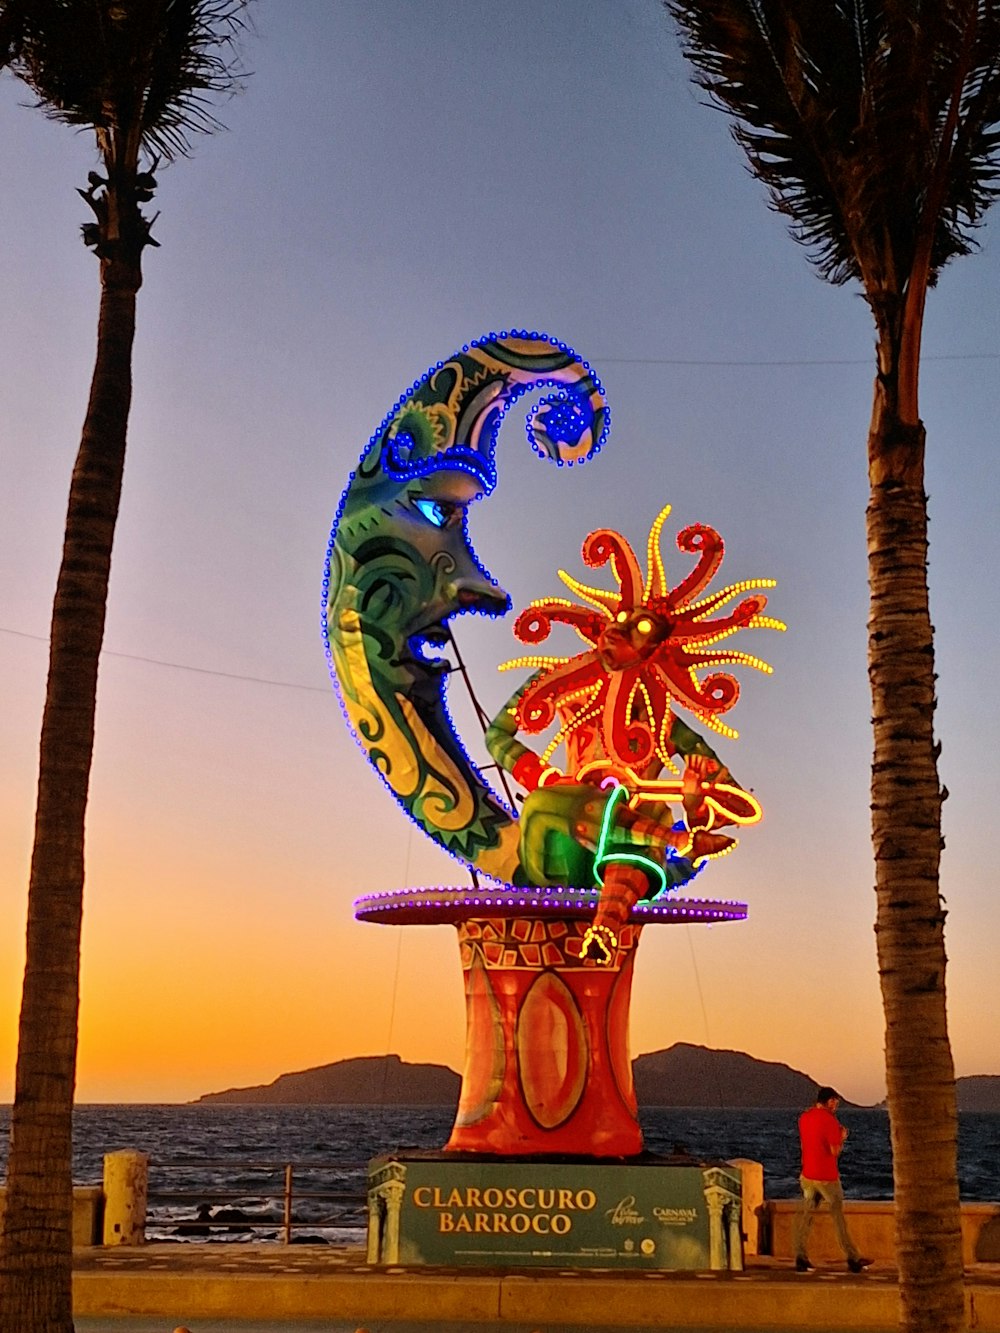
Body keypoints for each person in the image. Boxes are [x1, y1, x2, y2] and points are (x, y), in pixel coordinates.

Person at [794, 1086, 872, 1272]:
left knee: (806, 1217)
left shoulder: (804, 1118)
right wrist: (842, 1137)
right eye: (835, 1102)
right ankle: (853, 1258)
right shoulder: (829, 1121)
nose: (836, 1106)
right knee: (838, 1219)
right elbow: (834, 1151)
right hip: (827, 1177)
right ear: (828, 1101)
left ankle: (800, 1257)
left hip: (807, 1175)